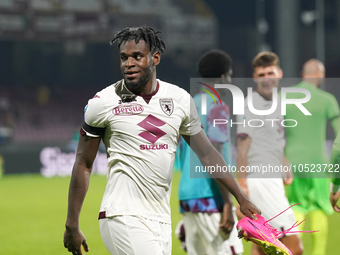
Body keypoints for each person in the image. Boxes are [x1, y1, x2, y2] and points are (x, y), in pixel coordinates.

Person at [63, 26, 260, 255]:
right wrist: (72, 224)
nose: (129, 63)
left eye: (137, 56)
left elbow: (207, 153)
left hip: (161, 219)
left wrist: (241, 197)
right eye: (124, 58)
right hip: (122, 214)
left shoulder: (179, 100)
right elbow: (83, 163)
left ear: (155, 58)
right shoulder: (103, 102)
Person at [176, 49, 243, 255]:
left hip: (187, 195)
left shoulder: (188, 105)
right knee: (232, 251)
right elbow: (215, 155)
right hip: (210, 197)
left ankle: (184, 230)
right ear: (223, 77)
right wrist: (227, 204)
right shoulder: (218, 108)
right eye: (229, 75)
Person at [236, 51, 303, 255]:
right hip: (260, 181)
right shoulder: (250, 104)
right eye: (262, 74)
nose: (267, 79)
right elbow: (242, 146)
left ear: (279, 73)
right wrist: (242, 187)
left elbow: (273, 140)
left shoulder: (277, 103)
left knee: (263, 244)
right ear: (255, 77)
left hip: (273, 179)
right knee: (294, 245)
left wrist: (284, 163)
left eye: (270, 73)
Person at [284, 59, 340, 255]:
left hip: (292, 162)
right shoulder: (327, 100)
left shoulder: (285, 97)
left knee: (295, 208)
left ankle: (293, 251)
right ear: (319, 74)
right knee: (318, 208)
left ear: (303, 73)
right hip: (318, 164)